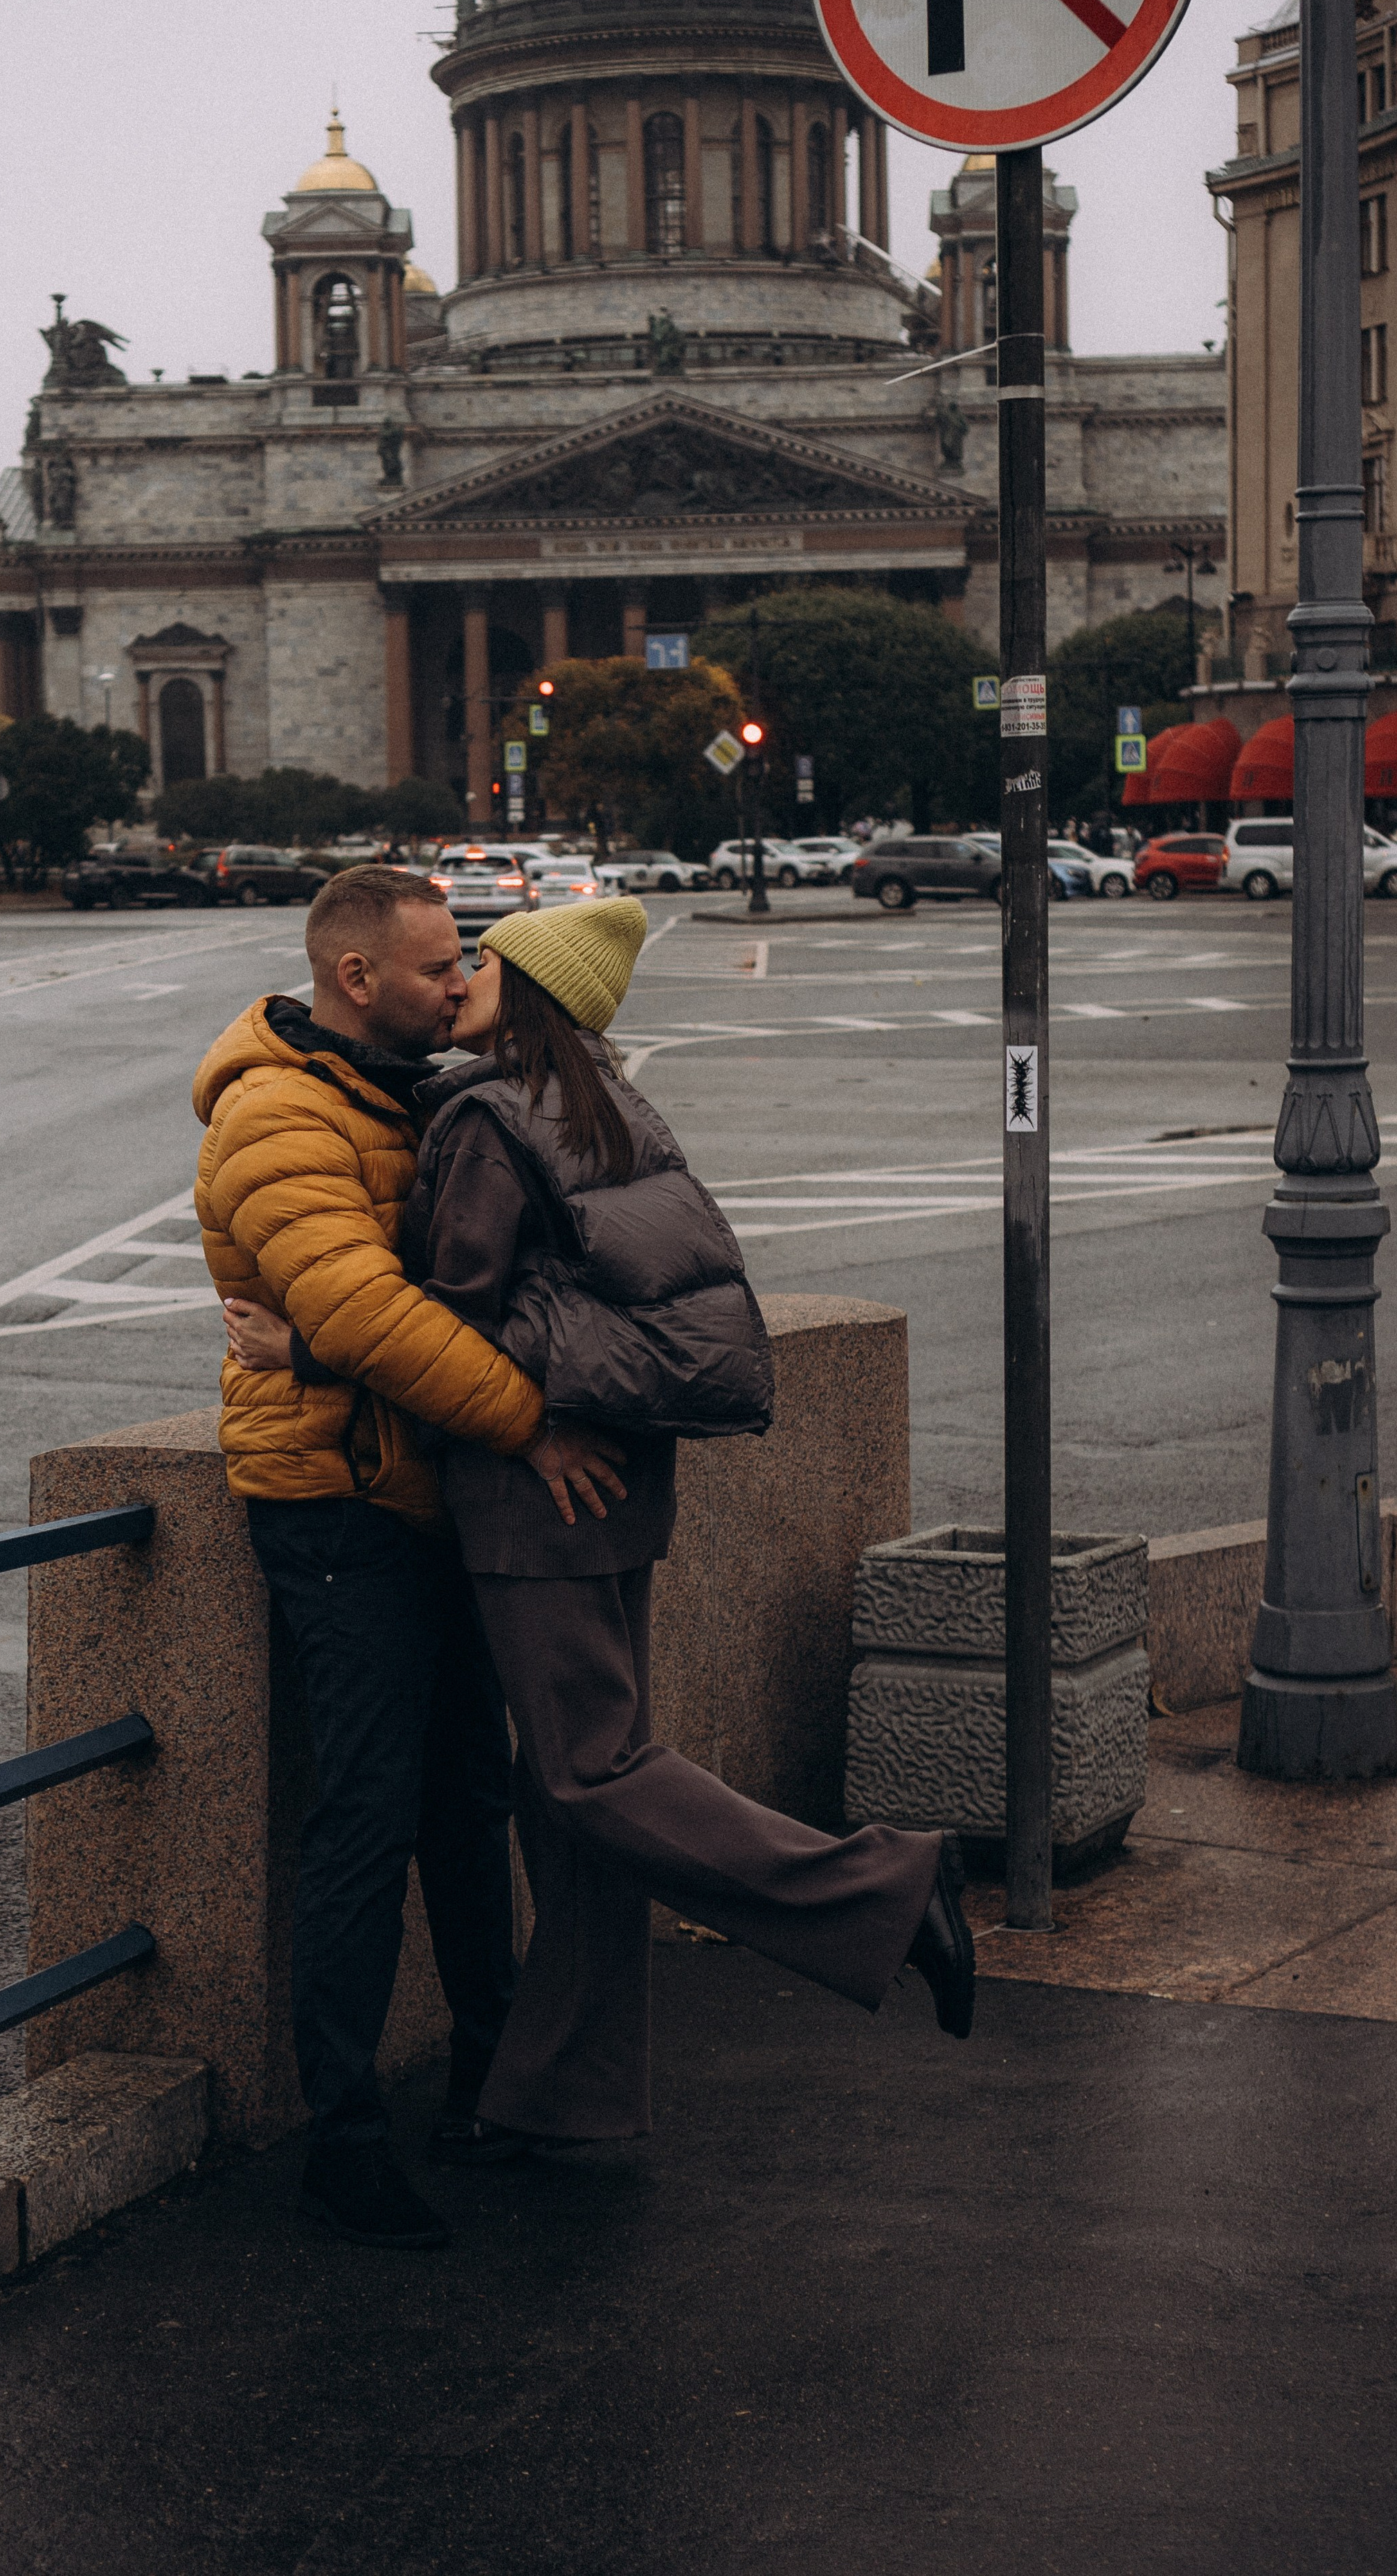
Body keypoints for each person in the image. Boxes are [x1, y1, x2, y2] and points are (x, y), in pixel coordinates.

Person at [227, 892, 975, 2158]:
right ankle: (565, 2094)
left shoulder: (482, 1116)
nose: (462, 977)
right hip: (626, 1477)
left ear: (528, 991)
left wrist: (304, 1346)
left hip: (537, 1495)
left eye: (482, 962)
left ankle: (887, 1892)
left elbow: (451, 1319)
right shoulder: (609, 1104)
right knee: (568, 1799)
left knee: (590, 1774)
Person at [193, 865, 624, 2252]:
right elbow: (369, 1316)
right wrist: (531, 1428)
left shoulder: (404, 1092)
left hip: (424, 1488)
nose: (460, 984)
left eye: (463, 962)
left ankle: (489, 2089)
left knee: (467, 1803)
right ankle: (344, 2144)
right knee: (368, 1818)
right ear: (355, 976)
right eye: (440, 966)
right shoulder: (275, 1113)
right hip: (336, 1508)